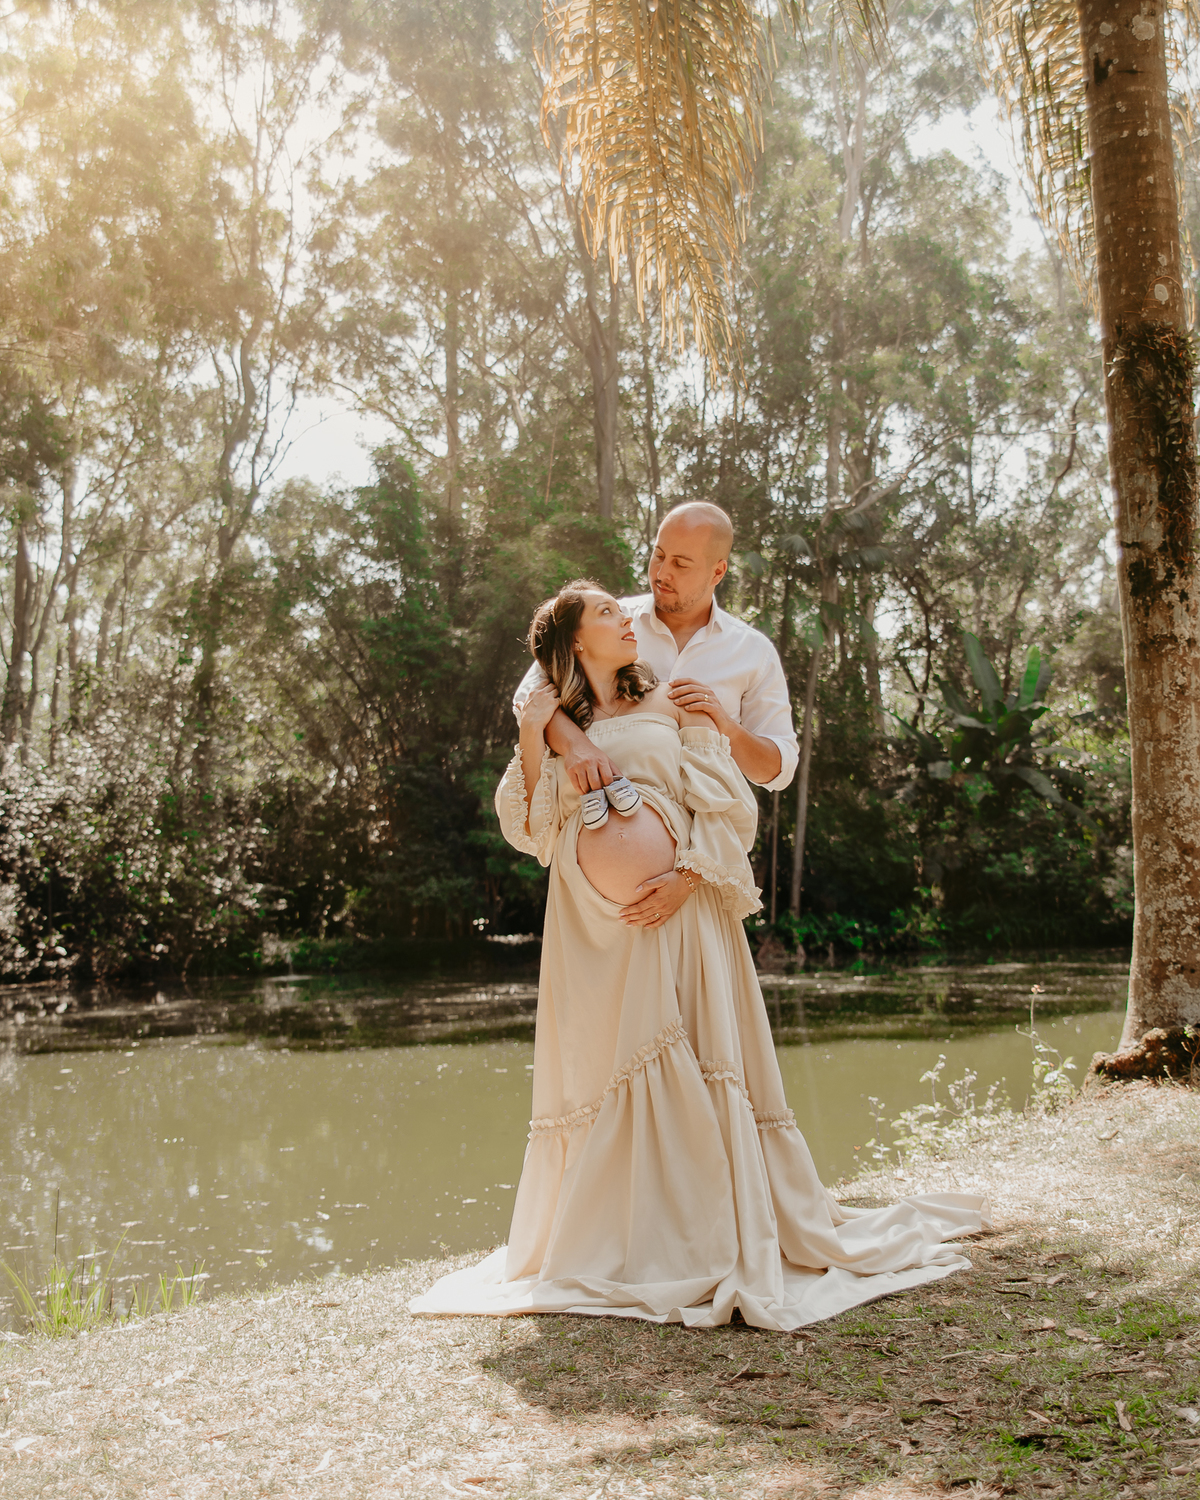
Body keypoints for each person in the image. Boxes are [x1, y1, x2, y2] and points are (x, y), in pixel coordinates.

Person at [410, 582, 989, 1330]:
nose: (629, 617)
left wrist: (687, 878)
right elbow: (527, 825)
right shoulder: (554, 721)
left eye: (626, 610)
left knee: (688, 1054)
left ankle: (705, 1235)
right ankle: (611, 1239)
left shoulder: (675, 701)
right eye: (610, 616)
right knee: (603, 1067)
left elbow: (730, 805)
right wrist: (543, 734)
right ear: (578, 643)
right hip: (593, 932)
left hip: (681, 912)